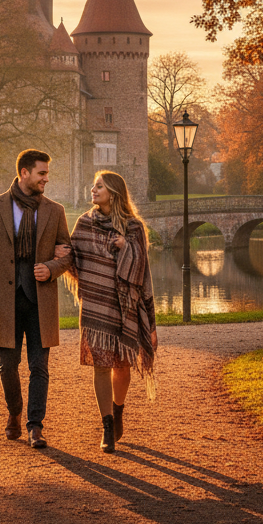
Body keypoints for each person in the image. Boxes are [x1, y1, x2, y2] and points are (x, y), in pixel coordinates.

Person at [0, 149, 73, 449]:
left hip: (41, 300)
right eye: (42, 173)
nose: (46, 179)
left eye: (47, 174)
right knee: (7, 365)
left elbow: (67, 252)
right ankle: (14, 412)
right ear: (24, 173)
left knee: (39, 366)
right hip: (5, 300)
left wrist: (51, 269)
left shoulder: (55, 211)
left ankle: (35, 426)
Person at [61, 170, 157, 454]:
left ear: (113, 193)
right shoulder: (84, 223)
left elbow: (143, 269)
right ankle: (106, 427)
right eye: (93, 185)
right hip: (94, 306)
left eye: (99, 186)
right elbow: (74, 258)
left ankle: (118, 411)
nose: (93, 189)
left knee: (122, 366)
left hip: (124, 308)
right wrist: (58, 257)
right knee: (101, 365)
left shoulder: (134, 228)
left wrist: (126, 247)